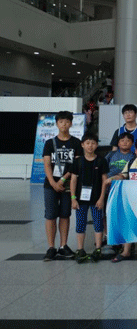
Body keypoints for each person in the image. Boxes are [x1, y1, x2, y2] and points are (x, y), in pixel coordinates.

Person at [42, 111, 83, 261]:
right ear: (56, 124)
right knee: (50, 215)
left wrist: (63, 179)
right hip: (50, 185)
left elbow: (77, 164)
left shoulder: (76, 143)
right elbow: (47, 165)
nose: (64, 124)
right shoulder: (49, 143)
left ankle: (63, 245)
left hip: (68, 185)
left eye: (66, 122)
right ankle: (51, 247)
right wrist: (53, 182)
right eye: (61, 122)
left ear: (71, 124)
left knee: (65, 214)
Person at [70, 133, 109, 263]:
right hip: (80, 199)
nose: (90, 146)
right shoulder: (78, 161)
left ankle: (98, 248)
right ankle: (80, 249)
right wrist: (73, 198)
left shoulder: (101, 161)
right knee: (80, 223)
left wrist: (101, 198)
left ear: (96, 145)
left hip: (96, 199)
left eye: (93, 143)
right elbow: (73, 180)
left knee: (98, 223)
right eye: (87, 143)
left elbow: (104, 180)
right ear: (82, 145)